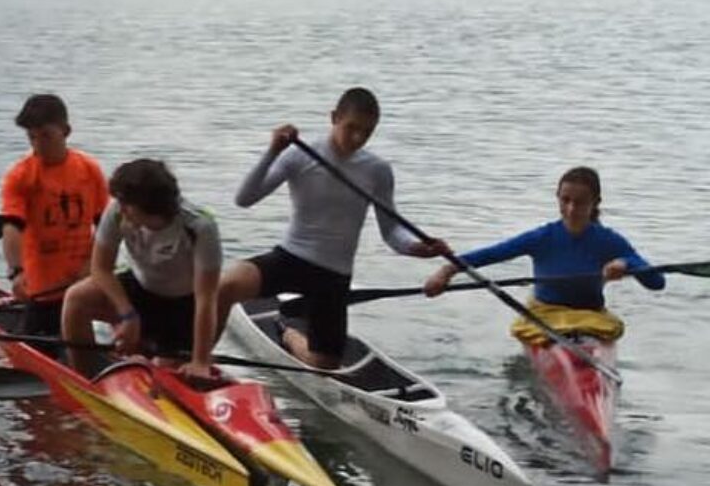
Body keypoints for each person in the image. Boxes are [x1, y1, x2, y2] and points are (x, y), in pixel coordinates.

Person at [214, 87, 448, 368]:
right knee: (224, 286)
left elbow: (391, 232)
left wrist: (417, 247)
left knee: (325, 364)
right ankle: (200, 360)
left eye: (367, 131)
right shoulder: (299, 156)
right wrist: (273, 151)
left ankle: (289, 334)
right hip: (290, 257)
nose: (358, 138)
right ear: (334, 117)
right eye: (351, 128)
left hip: (332, 276)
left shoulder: (377, 171)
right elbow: (244, 199)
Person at [422, 167, 663, 345]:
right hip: (544, 317)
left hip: (591, 318)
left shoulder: (609, 240)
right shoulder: (542, 237)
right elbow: (491, 254)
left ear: (595, 202)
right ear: (557, 198)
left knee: (592, 336)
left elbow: (657, 283)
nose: (571, 209)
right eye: (565, 200)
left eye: (580, 202)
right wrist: (446, 271)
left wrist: (626, 263)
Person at [60, 159, 223, 378]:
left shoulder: (200, 226)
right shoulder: (118, 208)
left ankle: (160, 355)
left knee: (162, 376)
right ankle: (85, 378)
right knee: (76, 298)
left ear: (150, 207)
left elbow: (207, 297)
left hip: (182, 306)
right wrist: (127, 314)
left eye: (128, 205)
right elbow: (101, 268)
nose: (121, 209)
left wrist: (200, 361)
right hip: (138, 289)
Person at [0, 93, 109, 338]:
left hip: (82, 284)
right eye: (32, 137)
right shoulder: (20, 176)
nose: (38, 145)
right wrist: (17, 272)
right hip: (41, 291)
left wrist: (92, 264)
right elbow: (11, 228)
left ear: (66, 131)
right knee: (40, 351)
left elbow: (105, 228)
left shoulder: (90, 170)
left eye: (45, 135)